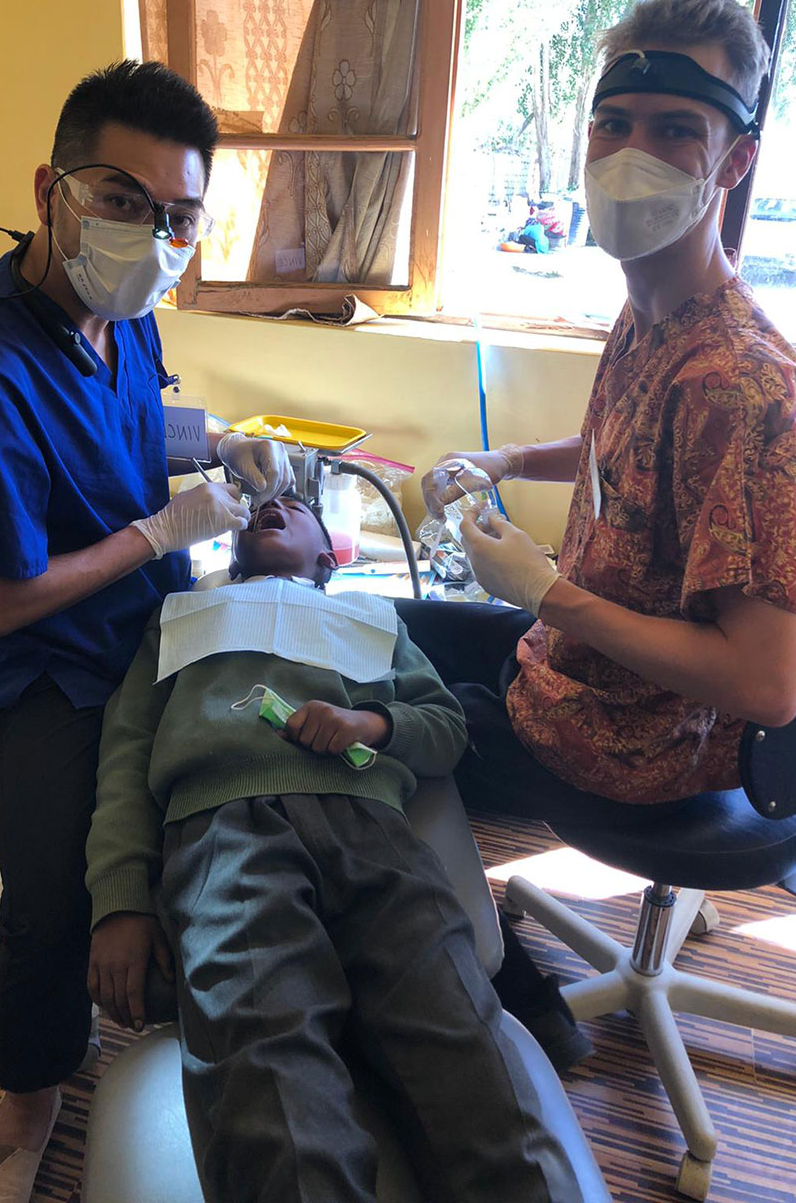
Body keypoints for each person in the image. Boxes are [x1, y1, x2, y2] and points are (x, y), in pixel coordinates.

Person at [0, 61, 294, 1203]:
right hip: (43, 660)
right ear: (50, 191)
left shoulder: (115, 315)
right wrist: (162, 527)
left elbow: (126, 425)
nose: (152, 234)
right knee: (54, 886)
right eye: (122, 199)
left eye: (176, 215)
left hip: (147, 617)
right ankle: (28, 1093)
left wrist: (216, 442)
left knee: (250, 777)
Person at [413, 0, 796, 1064]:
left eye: (677, 128)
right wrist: (502, 459)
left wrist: (548, 592)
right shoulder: (654, 310)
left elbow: (770, 683)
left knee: (386, 736)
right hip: (579, 659)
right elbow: (617, 453)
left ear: (732, 163)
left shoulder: (737, 382)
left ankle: (515, 998)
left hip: (637, 736)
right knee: (384, 635)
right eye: (615, 121)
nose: (631, 153)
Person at [85, 494, 593, 1203]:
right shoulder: (180, 617)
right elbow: (124, 755)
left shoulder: (372, 619)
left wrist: (372, 723)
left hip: (374, 835)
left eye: (293, 507)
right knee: (264, 1058)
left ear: (330, 558)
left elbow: (444, 728)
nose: (271, 504)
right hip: (224, 830)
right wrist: (119, 901)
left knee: (460, 1041)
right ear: (230, 554)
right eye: (262, 505)